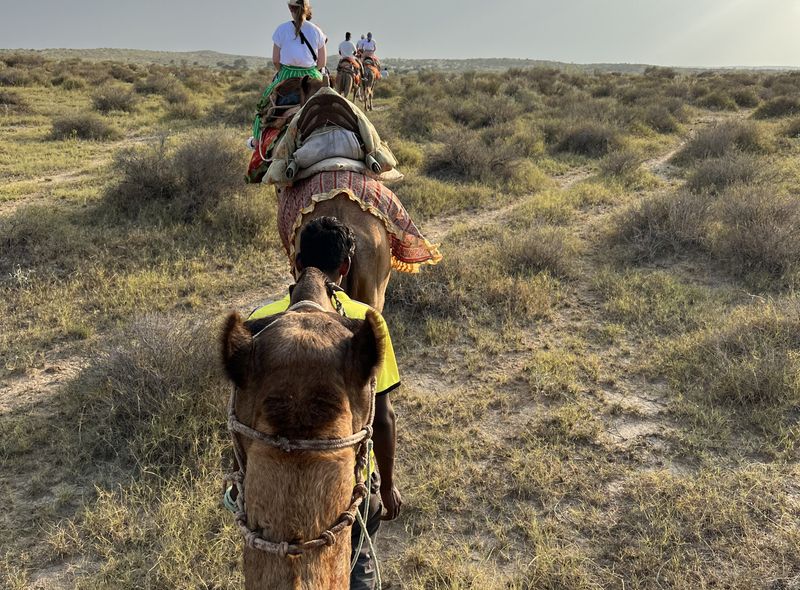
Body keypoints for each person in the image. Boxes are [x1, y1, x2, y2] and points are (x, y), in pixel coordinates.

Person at [231, 217, 402, 590]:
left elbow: (240, 417)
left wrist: (237, 480)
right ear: (345, 267)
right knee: (359, 559)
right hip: (351, 482)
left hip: (268, 485)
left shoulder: (259, 323)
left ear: (295, 262)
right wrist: (385, 486)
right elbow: (383, 418)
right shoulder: (364, 324)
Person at [252, 0, 328, 140]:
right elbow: (322, 62)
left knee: (262, 107)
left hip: (287, 72)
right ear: (307, 9)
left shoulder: (281, 29)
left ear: (290, 8)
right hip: (311, 73)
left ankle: (257, 140)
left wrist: (284, 72)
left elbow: (275, 60)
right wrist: (310, 72)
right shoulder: (317, 31)